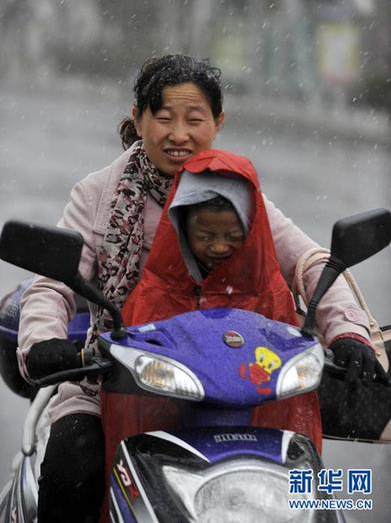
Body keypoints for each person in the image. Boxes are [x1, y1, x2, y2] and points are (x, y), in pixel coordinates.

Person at [16, 54, 382, 522]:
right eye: (164, 117)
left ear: (218, 122)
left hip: (235, 382)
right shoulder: (100, 194)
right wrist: (43, 340)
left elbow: (310, 262)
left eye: (194, 119)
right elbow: (53, 286)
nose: (178, 134)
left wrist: (349, 333)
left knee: (304, 491)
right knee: (74, 463)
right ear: (138, 118)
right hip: (118, 374)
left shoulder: (237, 191)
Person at [101, 149, 322, 491]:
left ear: (251, 228)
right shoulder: (154, 292)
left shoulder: (269, 291)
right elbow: (135, 406)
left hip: (256, 446)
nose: (219, 247)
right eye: (205, 237)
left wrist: (350, 335)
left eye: (233, 237)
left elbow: (318, 266)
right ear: (179, 226)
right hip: (174, 441)